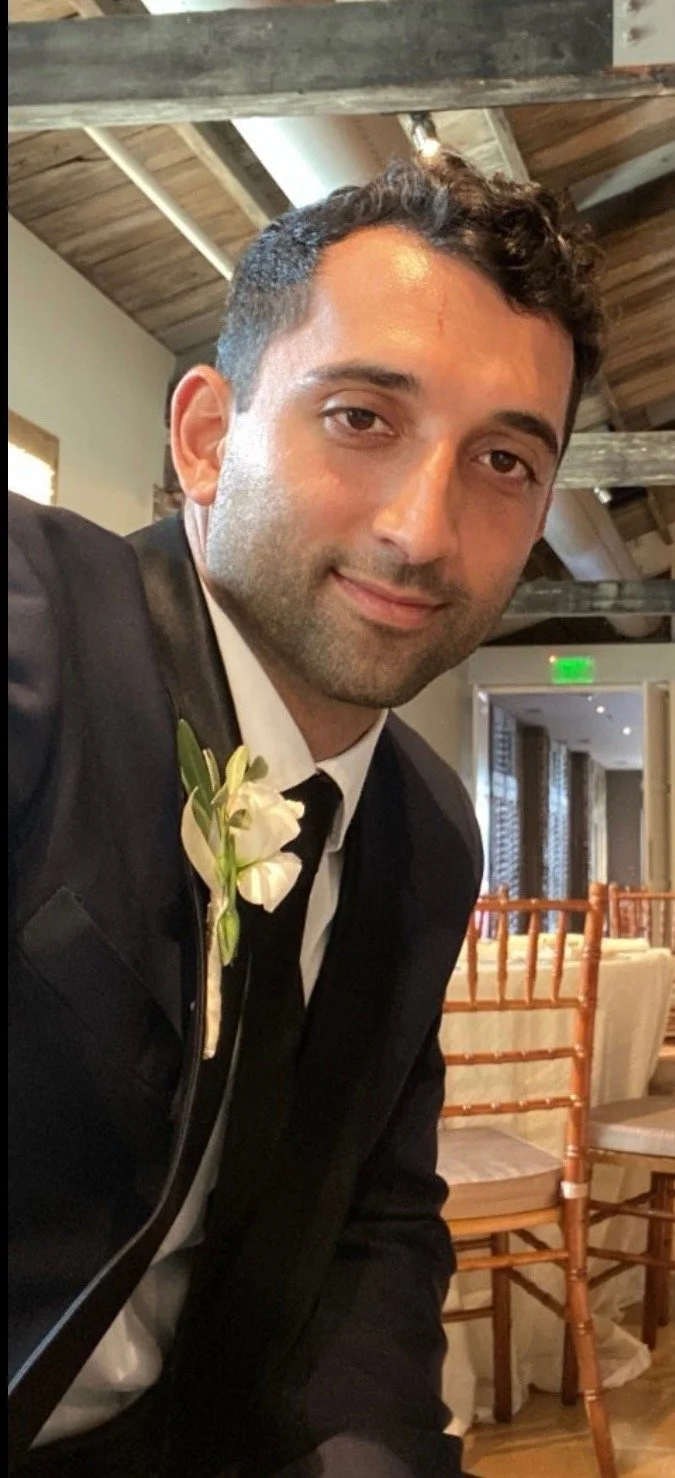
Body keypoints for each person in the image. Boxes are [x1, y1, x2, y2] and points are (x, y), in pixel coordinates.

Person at [8, 149, 604, 1478]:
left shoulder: (427, 832)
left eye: (503, 459)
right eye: (360, 417)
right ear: (206, 436)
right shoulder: (35, 632)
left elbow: (367, 1227)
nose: (421, 530)